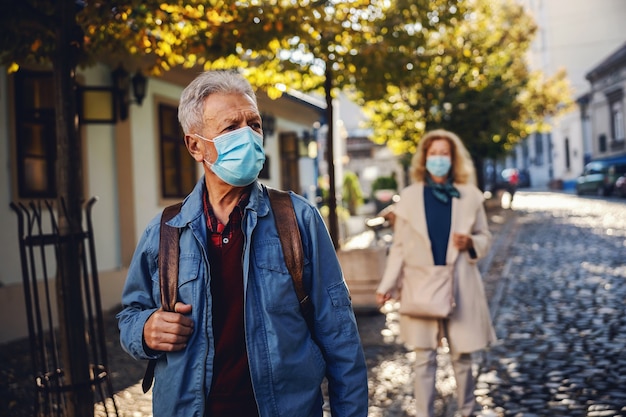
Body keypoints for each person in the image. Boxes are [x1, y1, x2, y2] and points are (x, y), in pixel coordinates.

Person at [117, 69, 368, 417]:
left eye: (254, 124)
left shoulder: (297, 220)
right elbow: (129, 314)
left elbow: (340, 335)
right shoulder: (166, 231)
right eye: (231, 127)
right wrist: (145, 330)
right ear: (195, 146)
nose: (248, 135)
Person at [375, 129, 496, 417]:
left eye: (444, 154)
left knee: (462, 356)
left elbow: (485, 237)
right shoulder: (410, 197)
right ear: (424, 158)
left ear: (453, 159)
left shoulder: (470, 196)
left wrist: (472, 243)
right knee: (423, 358)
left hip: (460, 284)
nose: (438, 159)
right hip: (421, 285)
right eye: (433, 154)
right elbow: (400, 248)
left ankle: (467, 411)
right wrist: (387, 285)